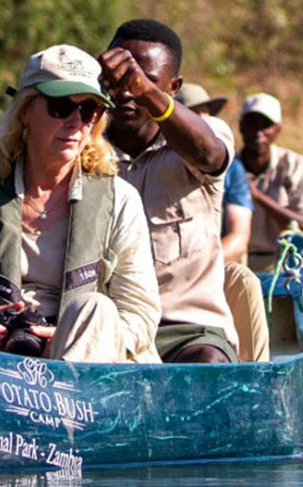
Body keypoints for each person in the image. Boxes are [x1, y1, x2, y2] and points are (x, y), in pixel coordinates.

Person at [0, 44, 162, 363]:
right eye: (60, 106)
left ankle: (65, 404)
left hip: (82, 359)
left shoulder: (120, 199)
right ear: (25, 111)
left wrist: (73, 336)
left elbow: (140, 314)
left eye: (89, 110)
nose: (75, 122)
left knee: (96, 308)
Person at [99, 19, 269, 363]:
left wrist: (145, 92)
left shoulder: (205, 135)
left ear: (173, 87)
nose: (126, 92)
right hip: (109, 327)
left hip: (186, 330)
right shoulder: (83, 144)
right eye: (118, 81)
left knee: (208, 361)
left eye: (145, 81)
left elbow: (210, 154)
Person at [228, 92, 303, 268]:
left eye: (266, 126)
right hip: (236, 261)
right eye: (251, 125)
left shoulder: (293, 164)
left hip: (282, 261)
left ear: (277, 130)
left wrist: (257, 196)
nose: (258, 133)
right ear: (241, 127)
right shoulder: (228, 166)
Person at [178, 83, 255, 267]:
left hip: (212, 263)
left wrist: (201, 268)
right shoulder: (155, 162)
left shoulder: (232, 168)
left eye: (205, 114)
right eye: (192, 114)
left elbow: (239, 237)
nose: (202, 121)